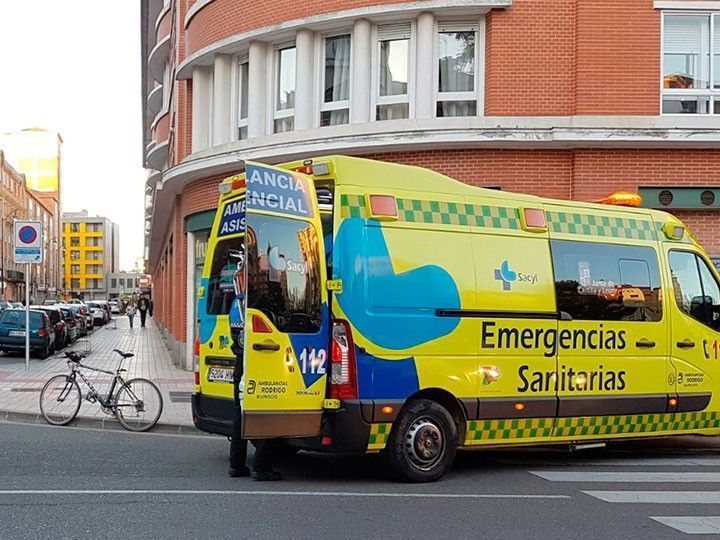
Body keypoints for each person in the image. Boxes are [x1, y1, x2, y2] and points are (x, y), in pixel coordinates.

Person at [227, 247, 282, 481]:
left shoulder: (236, 304)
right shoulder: (263, 298)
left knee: (241, 413)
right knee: (272, 411)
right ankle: (262, 466)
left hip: (241, 362)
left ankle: (237, 464)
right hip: (263, 360)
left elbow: (235, 336)